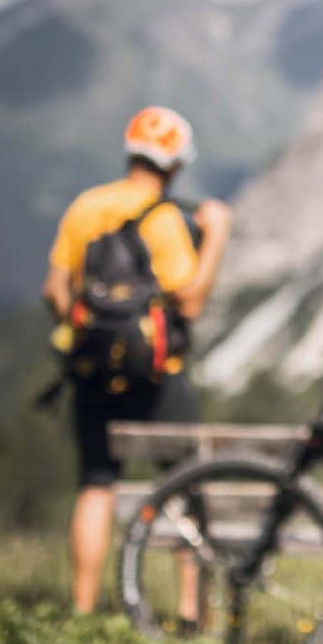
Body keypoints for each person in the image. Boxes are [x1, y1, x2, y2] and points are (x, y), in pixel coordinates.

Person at [43, 105, 233, 615]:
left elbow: (55, 289)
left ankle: (83, 609)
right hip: (157, 378)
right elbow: (188, 300)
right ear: (174, 165)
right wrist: (215, 237)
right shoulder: (166, 220)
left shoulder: (86, 206)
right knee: (184, 488)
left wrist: (89, 333)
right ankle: (190, 612)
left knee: (95, 485)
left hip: (92, 375)